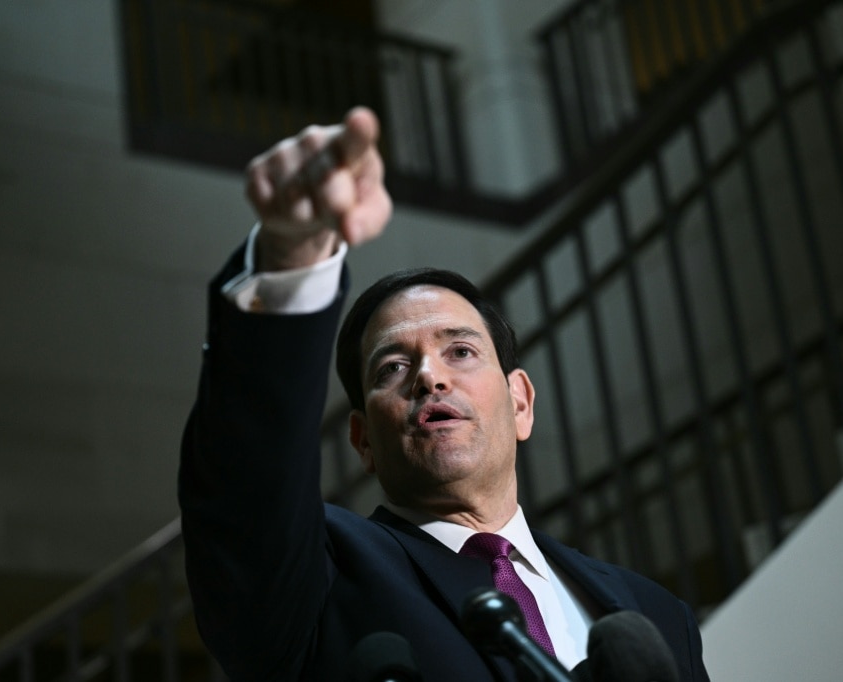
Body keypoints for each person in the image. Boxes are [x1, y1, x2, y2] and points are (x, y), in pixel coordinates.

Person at [179, 107, 709, 681]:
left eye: (460, 351)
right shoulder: (321, 580)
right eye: (393, 366)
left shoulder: (659, 616)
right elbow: (249, 485)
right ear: (362, 439)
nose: (430, 377)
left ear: (521, 402)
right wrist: (292, 261)